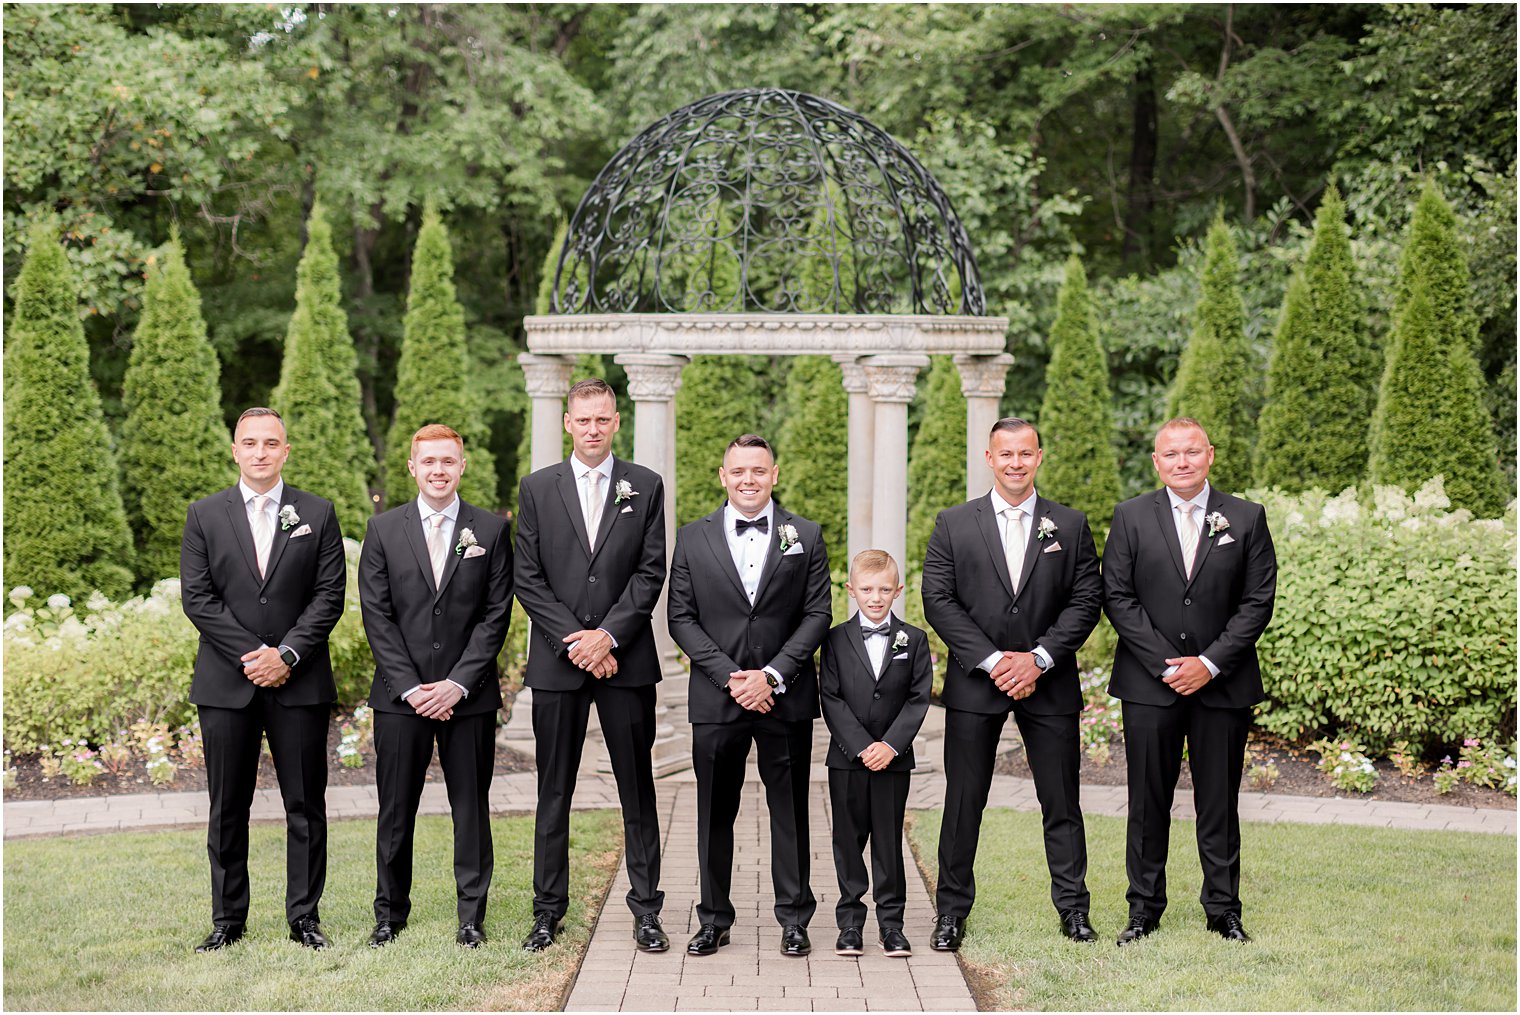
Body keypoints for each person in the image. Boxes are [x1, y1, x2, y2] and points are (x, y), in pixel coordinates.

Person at [921, 417, 1103, 951]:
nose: (1016, 463)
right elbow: (939, 599)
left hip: (1049, 682)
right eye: (1006, 454)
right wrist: (996, 660)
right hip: (977, 682)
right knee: (963, 802)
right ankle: (951, 913)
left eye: (1025, 454)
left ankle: (1073, 910)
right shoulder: (954, 523)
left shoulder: (1068, 525)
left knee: (1061, 801)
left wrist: (1039, 658)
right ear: (989, 458)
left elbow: (1085, 599)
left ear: (1039, 457)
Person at [1103, 417, 1277, 946]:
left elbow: (1257, 602)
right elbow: (1118, 596)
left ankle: (1223, 909)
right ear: (1156, 462)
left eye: (1192, 451)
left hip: (1222, 686)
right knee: (1146, 798)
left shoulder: (1246, 518)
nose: (1182, 461)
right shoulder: (1131, 517)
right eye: (1171, 453)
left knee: (1218, 800)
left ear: (1210, 455)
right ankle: (1143, 908)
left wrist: (1210, 662)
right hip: (1149, 684)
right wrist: (1167, 663)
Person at [180, 406, 346, 952]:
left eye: (270, 443)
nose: (259, 452)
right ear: (235, 450)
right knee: (228, 805)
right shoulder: (204, 514)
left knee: (306, 804)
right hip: (227, 684)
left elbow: (329, 596)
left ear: (285, 451)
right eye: (249, 443)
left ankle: (304, 917)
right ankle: (228, 919)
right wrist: (255, 654)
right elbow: (198, 599)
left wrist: (289, 655)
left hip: (298, 684)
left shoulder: (317, 513)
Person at [514, 379, 671, 953]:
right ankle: (547, 912)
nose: (593, 429)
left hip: (625, 665)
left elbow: (651, 571)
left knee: (638, 791)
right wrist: (574, 641)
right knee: (553, 792)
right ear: (567, 423)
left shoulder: (645, 486)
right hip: (558, 667)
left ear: (616, 421)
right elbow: (526, 577)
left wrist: (607, 638)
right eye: (584, 420)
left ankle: (647, 911)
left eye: (603, 419)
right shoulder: (537, 488)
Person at [667, 433, 831, 958]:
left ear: (774, 475)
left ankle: (794, 919)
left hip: (786, 698)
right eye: (738, 471)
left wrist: (774, 675)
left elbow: (818, 614)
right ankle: (713, 918)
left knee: (791, 812)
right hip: (718, 700)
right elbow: (680, 617)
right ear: (722, 476)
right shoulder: (692, 538)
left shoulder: (805, 535)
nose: (748, 480)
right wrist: (732, 676)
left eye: (758, 471)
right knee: (714, 813)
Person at [358, 424, 512, 949]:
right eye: (429, 462)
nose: (439, 470)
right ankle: (390, 913)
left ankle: (471, 915)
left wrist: (456, 685)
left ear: (461, 466)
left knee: (470, 809)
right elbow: (377, 616)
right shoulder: (382, 530)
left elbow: (495, 616)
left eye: (448, 461)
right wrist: (411, 687)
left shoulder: (489, 531)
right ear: (412, 467)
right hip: (401, 699)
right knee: (395, 810)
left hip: (468, 698)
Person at [819, 549, 932, 959]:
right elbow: (829, 697)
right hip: (847, 759)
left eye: (885, 589)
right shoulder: (833, 639)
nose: (876, 597)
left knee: (888, 841)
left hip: (893, 760)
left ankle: (892, 925)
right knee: (847, 841)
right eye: (866, 589)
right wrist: (863, 745)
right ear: (851, 590)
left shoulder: (914, 640)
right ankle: (850, 922)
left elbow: (919, 698)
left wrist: (889, 745)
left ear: (899, 590)